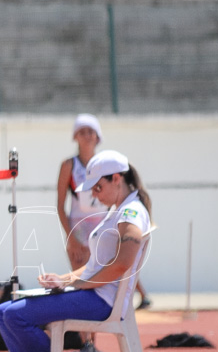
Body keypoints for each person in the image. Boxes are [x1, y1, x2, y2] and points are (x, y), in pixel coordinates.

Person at [0, 150, 153, 352]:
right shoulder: (117, 211)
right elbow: (96, 265)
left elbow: (122, 265)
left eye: (98, 187)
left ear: (117, 179)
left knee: (11, 314)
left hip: (101, 302)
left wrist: (79, 283)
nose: (95, 195)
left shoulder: (130, 212)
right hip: (91, 294)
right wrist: (64, 279)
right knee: (1, 313)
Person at [56, 114, 151, 315]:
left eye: (91, 131)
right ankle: (88, 342)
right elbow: (59, 205)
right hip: (79, 229)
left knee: (111, 268)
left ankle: (140, 294)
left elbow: (122, 263)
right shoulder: (69, 165)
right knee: (83, 279)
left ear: (98, 137)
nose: (87, 136)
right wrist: (71, 238)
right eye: (82, 132)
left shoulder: (109, 164)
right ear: (75, 137)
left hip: (103, 223)